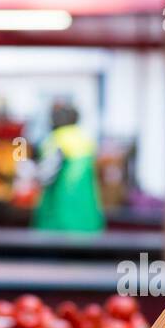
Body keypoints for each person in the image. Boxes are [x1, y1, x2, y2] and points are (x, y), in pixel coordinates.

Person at [32, 100, 105, 233]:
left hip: (60, 220)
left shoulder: (56, 140)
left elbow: (45, 176)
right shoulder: (85, 139)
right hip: (86, 219)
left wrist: (30, 170)